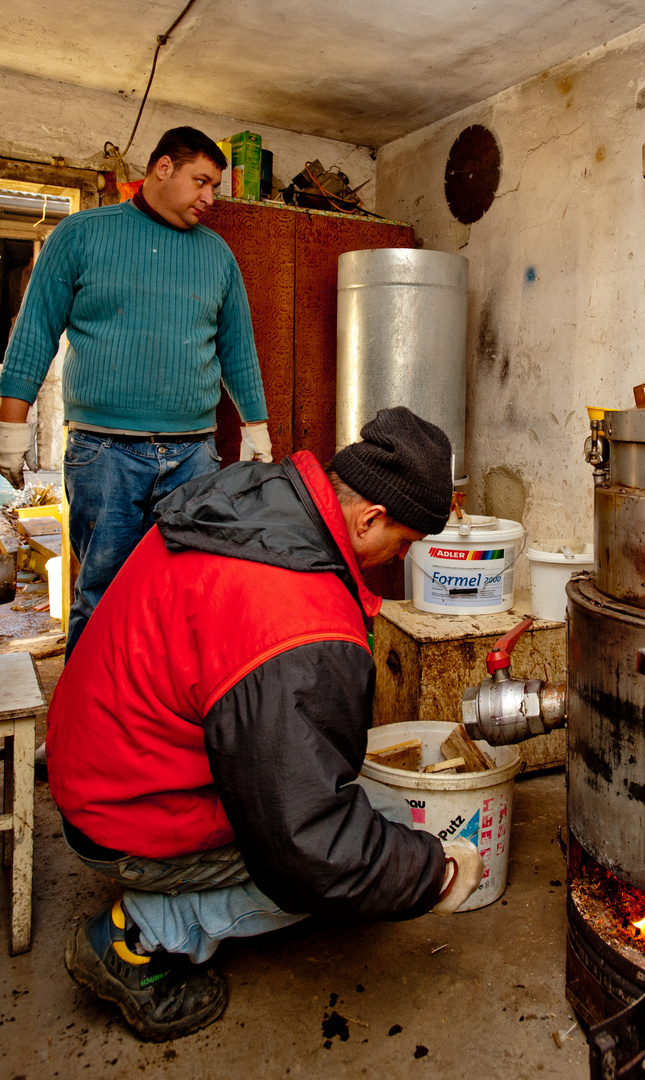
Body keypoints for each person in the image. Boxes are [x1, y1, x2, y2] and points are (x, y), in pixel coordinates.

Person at [45, 406, 484, 1043]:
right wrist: (429, 873)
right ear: (368, 518)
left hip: (98, 758)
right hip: (122, 812)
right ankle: (136, 937)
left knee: (349, 817)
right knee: (326, 871)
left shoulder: (261, 501)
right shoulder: (296, 617)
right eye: (405, 543)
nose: (399, 559)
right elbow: (308, 845)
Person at [0, 126, 273, 659]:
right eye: (202, 181)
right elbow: (33, 334)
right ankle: (86, 734)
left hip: (194, 456)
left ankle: (159, 728)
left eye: (215, 186)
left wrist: (256, 429)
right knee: (104, 595)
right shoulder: (80, 235)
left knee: (184, 597)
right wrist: (12, 428)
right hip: (104, 453)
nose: (209, 199)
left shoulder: (216, 255)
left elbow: (237, 350)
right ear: (163, 168)